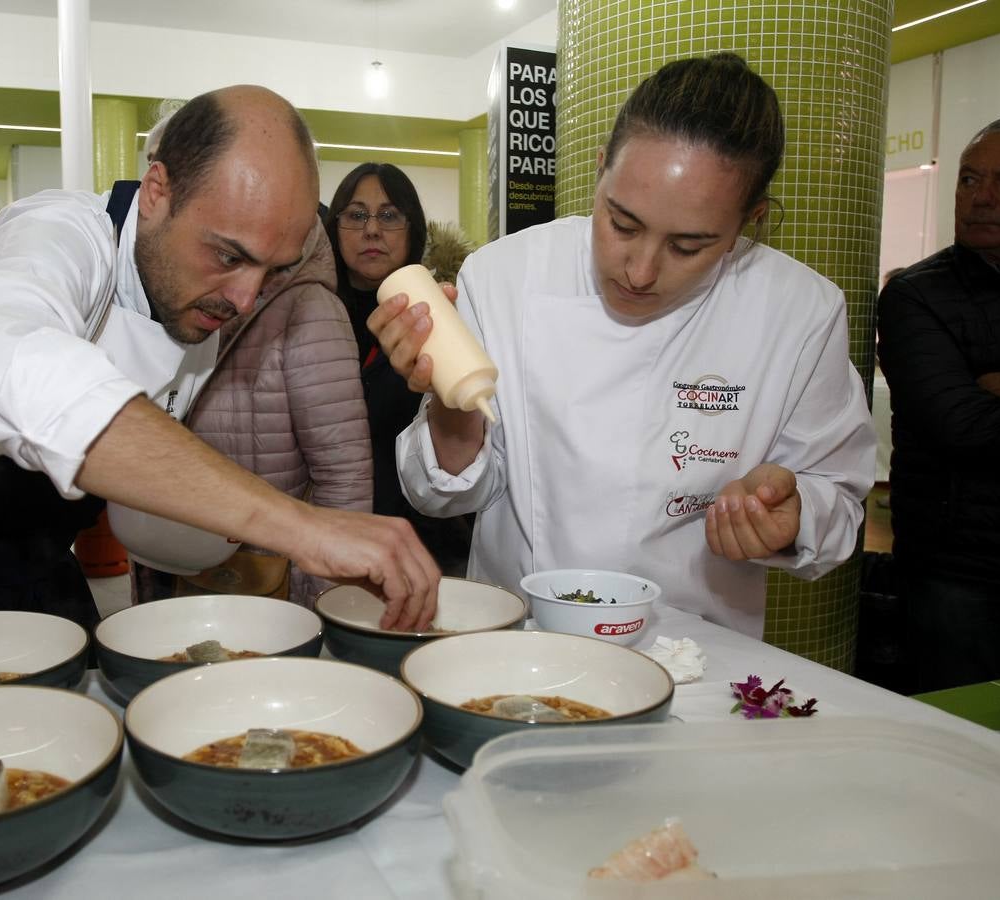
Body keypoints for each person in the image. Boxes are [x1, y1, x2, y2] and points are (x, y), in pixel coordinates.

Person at [0, 86, 439, 694]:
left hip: (38, 568)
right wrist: (299, 526)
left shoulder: (198, 294)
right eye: (228, 256)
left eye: (272, 270)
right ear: (158, 189)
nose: (246, 298)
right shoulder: (59, 235)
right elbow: (1, 358)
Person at [374, 53, 875, 638]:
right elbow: (444, 497)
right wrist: (451, 405)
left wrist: (792, 518)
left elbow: (836, 499)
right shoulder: (504, 276)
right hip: (522, 642)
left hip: (694, 654)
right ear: (600, 172)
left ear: (750, 222)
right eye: (622, 224)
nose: (639, 271)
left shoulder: (800, 312)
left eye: (688, 247)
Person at [133, 216, 374, 608]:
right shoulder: (172, 284)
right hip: (166, 568)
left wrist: (324, 604)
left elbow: (344, 477)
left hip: (264, 588)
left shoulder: (309, 309)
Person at [877, 117, 1000, 692]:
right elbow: (961, 424)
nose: (982, 198)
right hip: (959, 570)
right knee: (963, 736)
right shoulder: (919, 294)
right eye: (968, 180)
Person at [325, 163, 474, 576]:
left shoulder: (443, 316)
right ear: (334, 227)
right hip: (333, 540)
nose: (372, 230)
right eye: (356, 215)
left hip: (430, 546)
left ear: (414, 228)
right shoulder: (312, 317)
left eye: (389, 216)